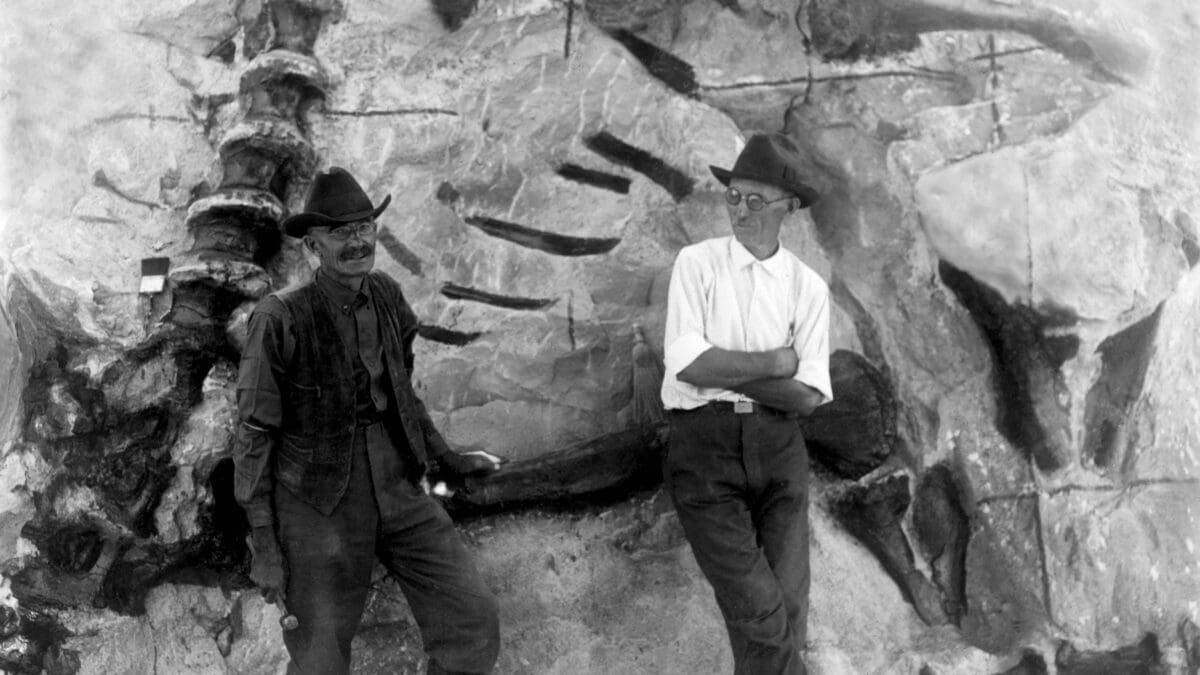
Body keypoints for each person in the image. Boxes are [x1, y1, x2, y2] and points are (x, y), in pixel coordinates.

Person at [233, 167, 504, 675]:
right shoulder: (279, 318)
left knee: (472, 618)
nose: (357, 241)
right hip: (317, 501)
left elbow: (403, 396)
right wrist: (265, 543)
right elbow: (253, 434)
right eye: (340, 232)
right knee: (320, 656)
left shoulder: (387, 297)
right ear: (313, 247)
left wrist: (446, 459)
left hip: (399, 484)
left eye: (364, 227)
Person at [660, 133, 833, 675]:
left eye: (757, 201)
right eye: (733, 197)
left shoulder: (808, 288)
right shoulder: (698, 264)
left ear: (790, 209)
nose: (741, 210)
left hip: (780, 449)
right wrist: (776, 363)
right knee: (758, 610)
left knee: (790, 606)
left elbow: (807, 396)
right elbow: (687, 365)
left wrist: (727, 372)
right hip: (705, 452)